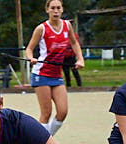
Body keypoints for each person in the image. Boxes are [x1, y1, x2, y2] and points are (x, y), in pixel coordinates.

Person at [25, 0, 84, 136]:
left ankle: (46, 141)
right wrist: (31, 58)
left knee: (62, 112)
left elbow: (74, 43)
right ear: (47, 10)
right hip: (41, 73)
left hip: (56, 75)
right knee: (46, 113)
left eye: (58, 8)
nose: (55, 11)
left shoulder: (67, 25)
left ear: (62, 9)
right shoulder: (41, 28)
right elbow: (29, 49)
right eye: (52, 8)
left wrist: (80, 59)